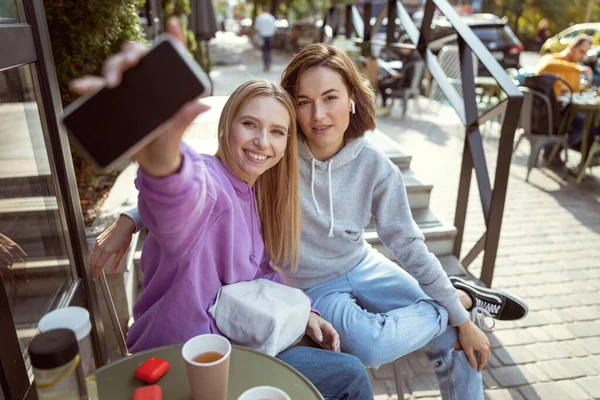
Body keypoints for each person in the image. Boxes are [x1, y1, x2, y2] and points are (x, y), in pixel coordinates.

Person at [95, 43, 528, 399]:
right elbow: (191, 196)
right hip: (297, 290)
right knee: (372, 347)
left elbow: (408, 244)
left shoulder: (366, 167)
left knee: (456, 338)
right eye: (304, 102)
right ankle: (458, 303)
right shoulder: (273, 165)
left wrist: (461, 320)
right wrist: (137, 207)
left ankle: (462, 305)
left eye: (330, 98)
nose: (318, 115)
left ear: (353, 98)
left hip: (354, 267)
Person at [77, 22, 373, 400]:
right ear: (226, 126)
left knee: (343, 366)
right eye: (250, 124)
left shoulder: (254, 193)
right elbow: (179, 200)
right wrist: (163, 155)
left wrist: (307, 313)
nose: (262, 142)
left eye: (277, 131)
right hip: (183, 363)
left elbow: (262, 273)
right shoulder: (209, 182)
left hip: (236, 347)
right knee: (350, 375)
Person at [536, 34, 596, 163]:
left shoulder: (575, 68)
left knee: (589, 122)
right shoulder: (553, 59)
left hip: (566, 110)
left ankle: (556, 150)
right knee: (582, 122)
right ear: (572, 47)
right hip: (546, 111)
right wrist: (577, 69)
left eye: (585, 53)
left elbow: (574, 92)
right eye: (581, 51)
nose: (582, 56)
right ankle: (552, 150)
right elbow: (547, 65)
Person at [254, 7, 276, 71]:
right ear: (268, 10)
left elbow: (257, 28)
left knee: (264, 51)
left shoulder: (259, 17)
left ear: (262, 10)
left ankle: (265, 64)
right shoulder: (271, 17)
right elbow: (274, 28)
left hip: (263, 36)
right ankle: (269, 64)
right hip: (270, 36)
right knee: (269, 50)